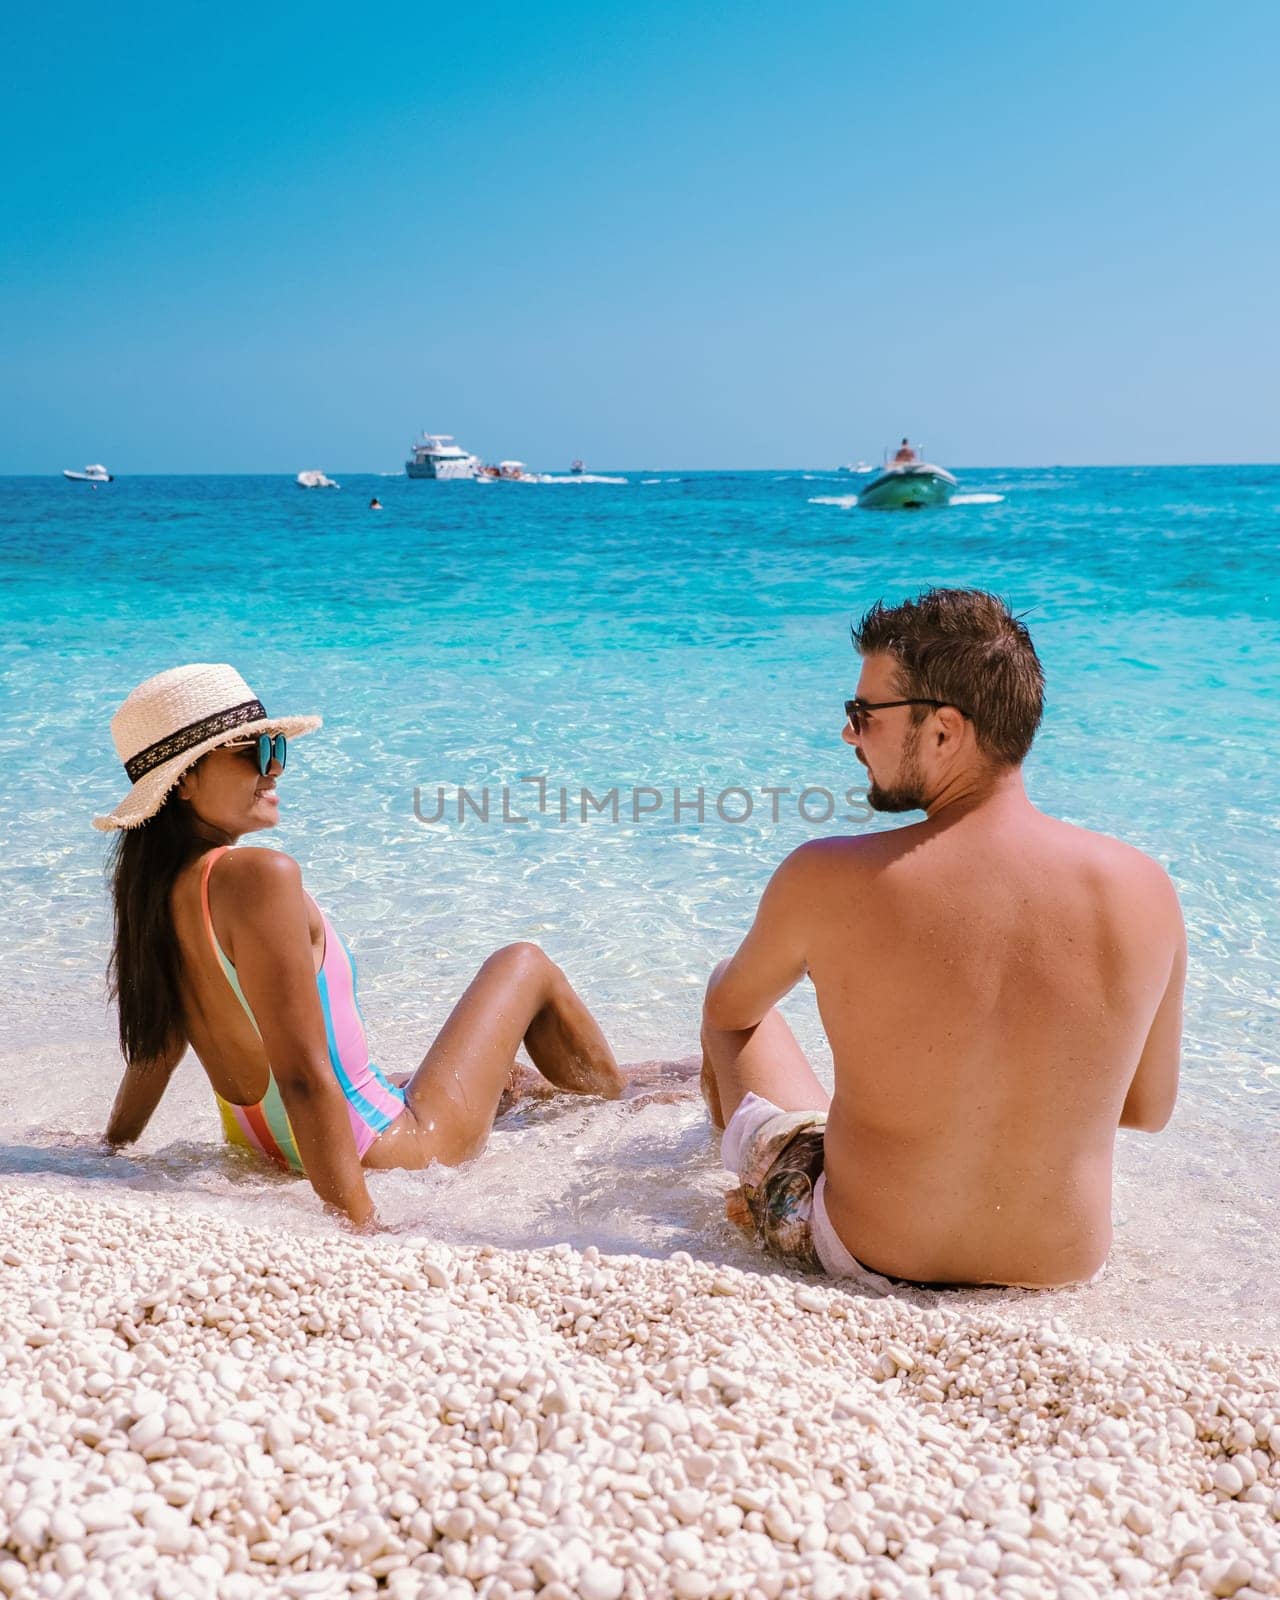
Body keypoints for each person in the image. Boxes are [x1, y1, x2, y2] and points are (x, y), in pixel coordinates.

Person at [701, 589, 1185, 1289]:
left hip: (870, 1249)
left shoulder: (827, 876)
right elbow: (1145, 1110)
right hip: (1059, 1268)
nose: (848, 735)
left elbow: (730, 1012)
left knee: (729, 994)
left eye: (862, 715)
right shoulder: (1146, 890)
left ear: (944, 730)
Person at [96, 663, 627, 1228]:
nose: (275, 768)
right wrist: (358, 1221)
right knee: (523, 962)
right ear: (184, 781)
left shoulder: (158, 891)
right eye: (255, 752)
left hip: (272, 1148)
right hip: (394, 1150)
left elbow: (157, 1044)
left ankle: (570, 1088)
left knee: (487, 1078)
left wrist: (113, 1146)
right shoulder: (258, 877)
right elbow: (301, 1072)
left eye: (278, 748)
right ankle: (620, 1105)